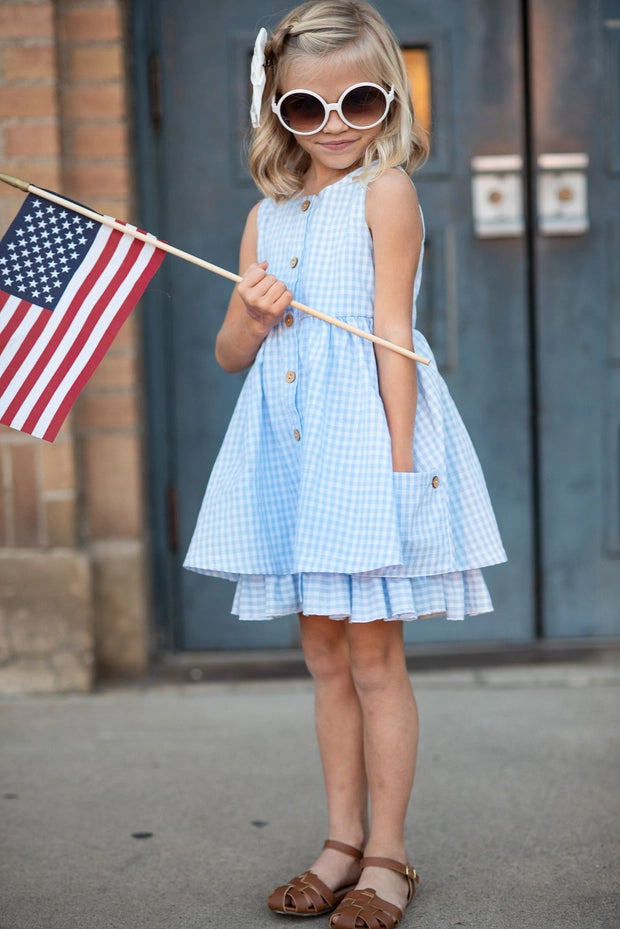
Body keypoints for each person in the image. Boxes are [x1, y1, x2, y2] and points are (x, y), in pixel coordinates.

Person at [184, 2, 506, 926]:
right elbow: (230, 354)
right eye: (306, 109)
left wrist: (402, 472)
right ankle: (339, 838)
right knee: (323, 653)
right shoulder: (266, 217)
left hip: (365, 443)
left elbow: (395, 339)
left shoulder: (385, 192)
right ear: (276, 113)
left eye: (357, 101)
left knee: (374, 656)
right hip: (292, 452)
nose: (334, 125)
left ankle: (390, 854)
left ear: (388, 102)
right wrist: (252, 312)